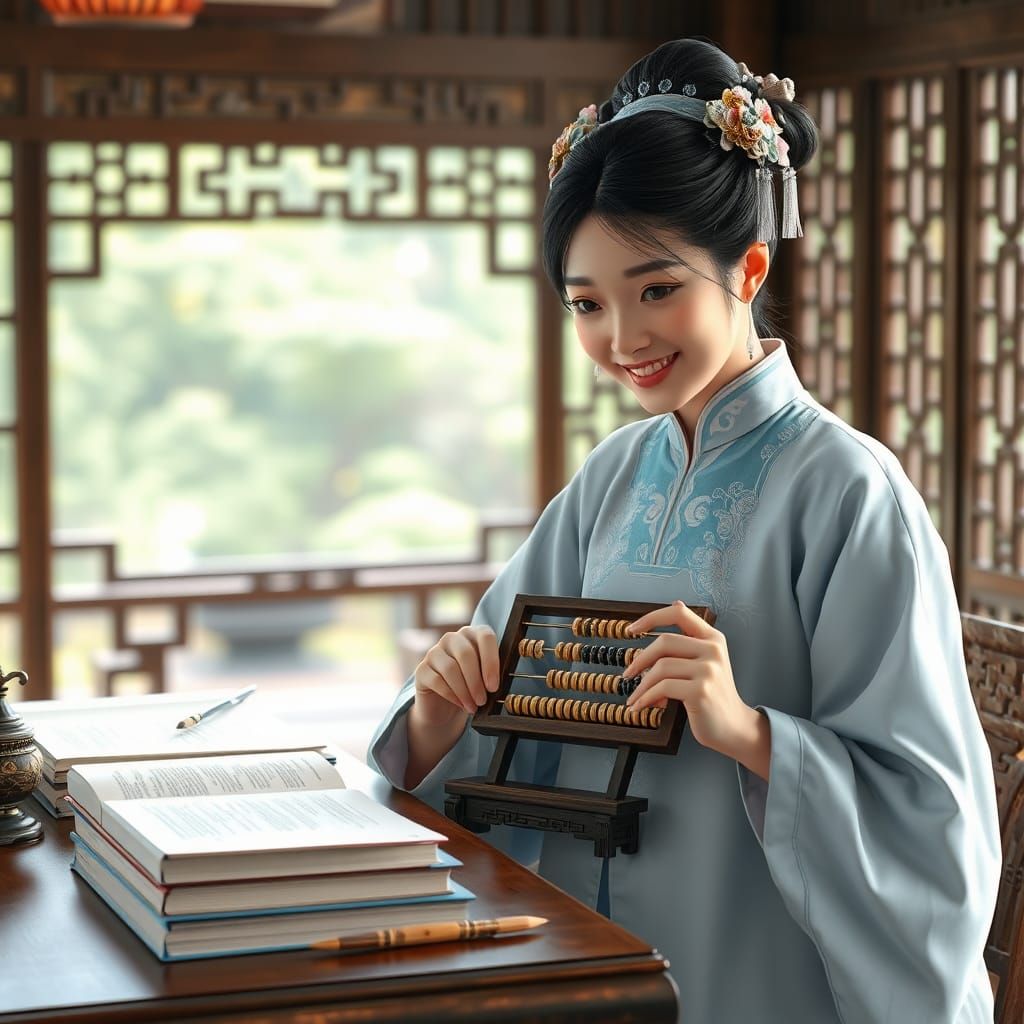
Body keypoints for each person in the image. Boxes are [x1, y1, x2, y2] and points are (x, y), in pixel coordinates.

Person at [367, 37, 1000, 1024]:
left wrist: (746, 729)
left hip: (757, 966)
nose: (623, 339)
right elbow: (485, 704)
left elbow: (928, 814)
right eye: (588, 304)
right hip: (586, 953)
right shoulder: (613, 475)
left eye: (656, 289)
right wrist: (438, 713)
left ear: (748, 269)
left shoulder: (849, 491)